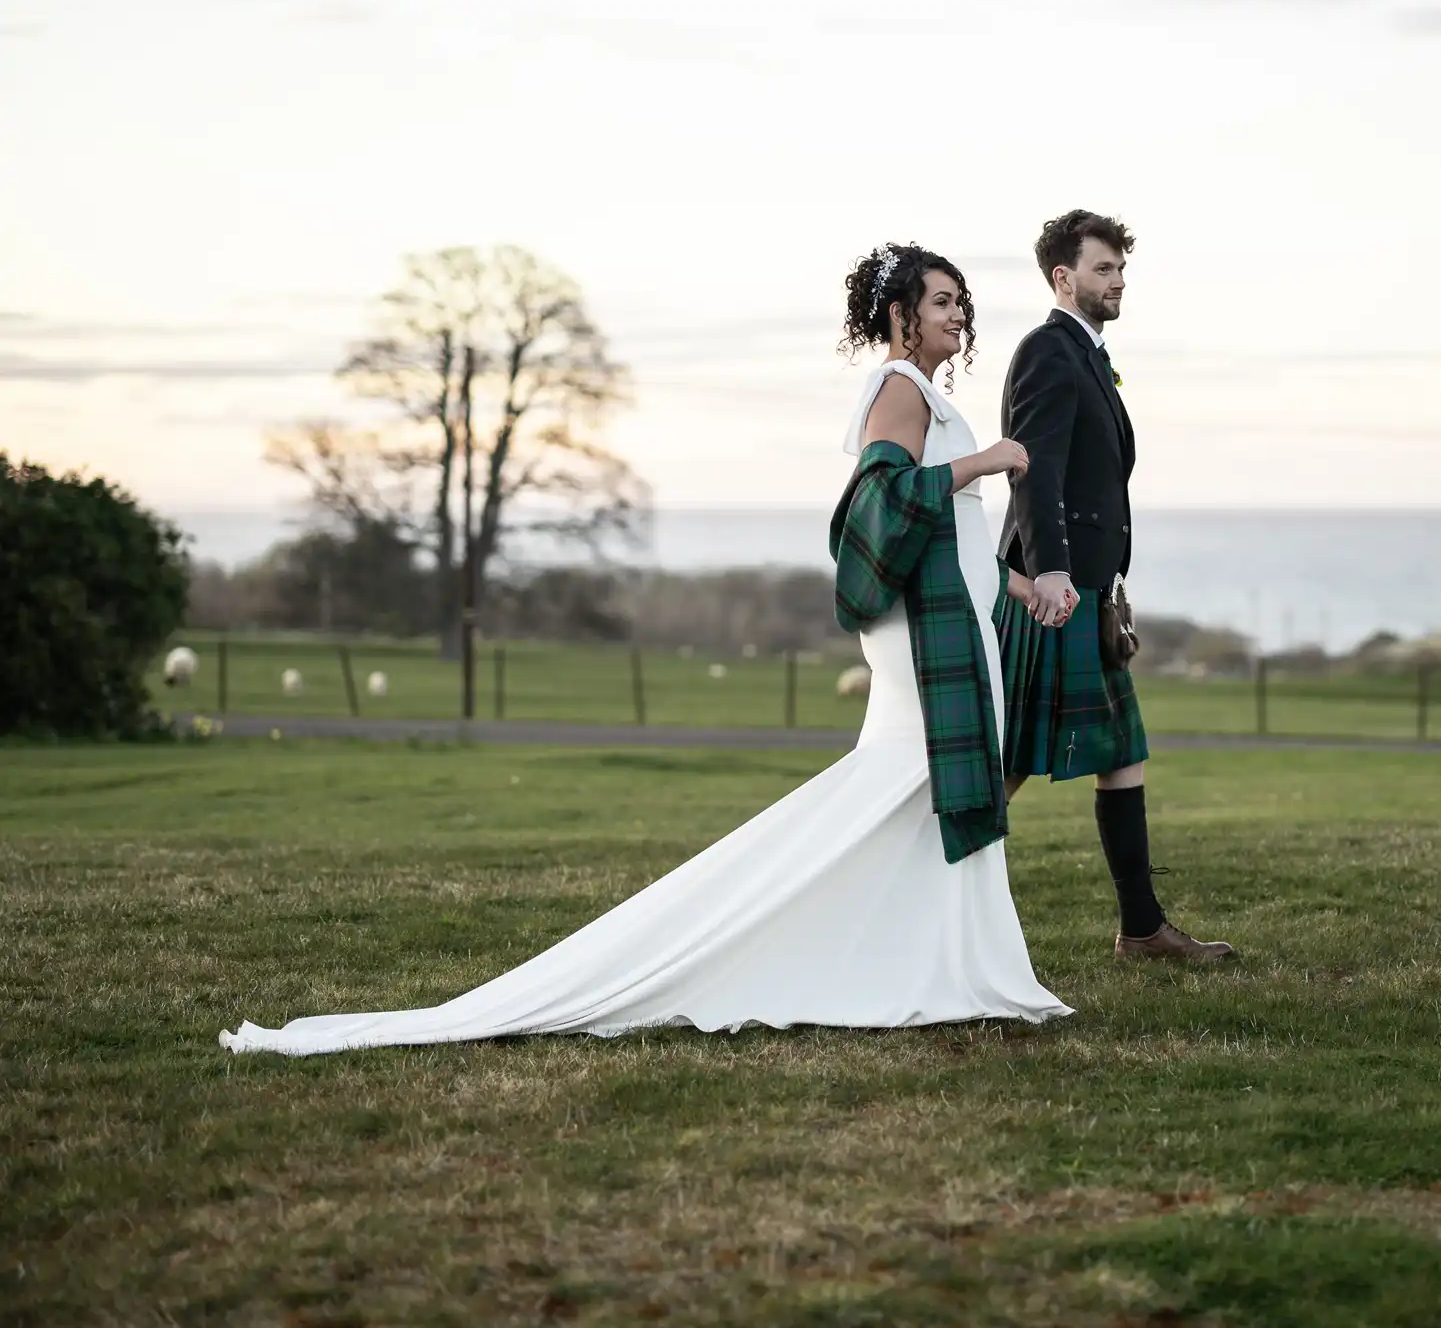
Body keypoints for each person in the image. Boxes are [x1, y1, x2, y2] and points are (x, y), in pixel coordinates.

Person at [218, 243, 1072, 1056]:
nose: (959, 314)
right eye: (941, 301)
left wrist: (1018, 586)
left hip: (961, 621)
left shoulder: (922, 389)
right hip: (924, 639)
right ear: (898, 315)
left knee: (919, 792)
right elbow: (884, 502)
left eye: (962, 300)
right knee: (900, 781)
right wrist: (987, 460)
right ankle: (851, 952)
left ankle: (944, 961)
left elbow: (954, 533)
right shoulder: (900, 389)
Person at [997, 209, 1235, 962]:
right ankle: (919, 912)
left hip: (1090, 591)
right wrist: (1054, 570)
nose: (1118, 280)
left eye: (1121, 269)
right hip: (1052, 594)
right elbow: (1033, 465)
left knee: (1123, 752)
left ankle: (1142, 928)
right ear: (1063, 278)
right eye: (1103, 269)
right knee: (1001, 767)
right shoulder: (1048, 351)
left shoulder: (1089, 355)